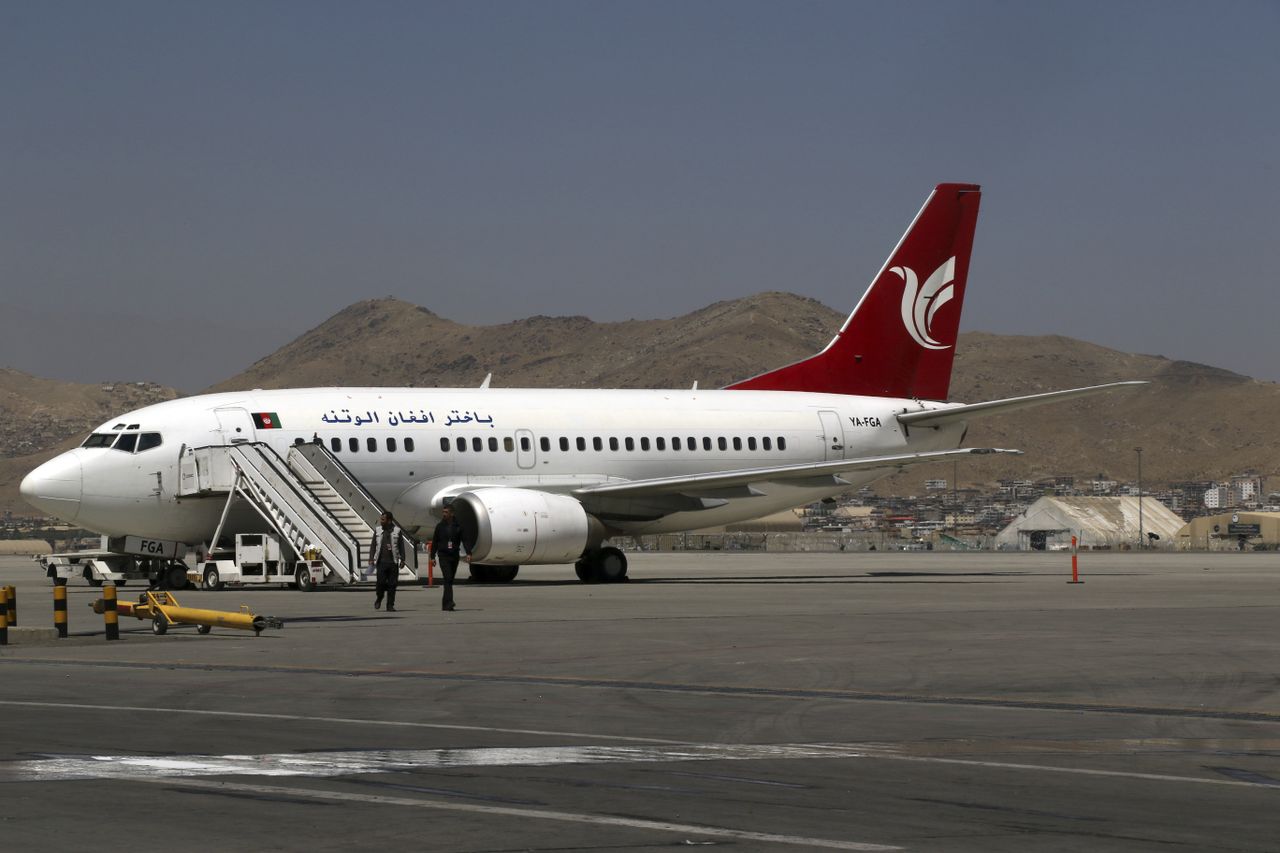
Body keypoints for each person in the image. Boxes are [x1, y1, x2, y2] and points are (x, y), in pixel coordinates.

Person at [428, 505, 469, 611]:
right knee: (448, 578)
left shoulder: (458, 526)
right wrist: (432, 557)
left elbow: (465, 540)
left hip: (454, 555)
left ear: (452, 513)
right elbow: (435, 542)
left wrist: (469, 553)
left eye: (446, 512)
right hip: (443, 556)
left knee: (449, 580)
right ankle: (449, 602)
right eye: (443, 512)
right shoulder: (440, 526)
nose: (444, 514)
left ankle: (445, 604)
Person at [370, 511, 406, 611]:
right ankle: (379, 597)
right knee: (380, 583)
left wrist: (403, 559)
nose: (381, 521)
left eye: (383, 519)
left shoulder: (397, 531)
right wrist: (371, 558)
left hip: (393, 562)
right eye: (381, 519)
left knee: (392, 585)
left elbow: (401, 546)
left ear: (389, 521)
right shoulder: (377, 530)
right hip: (381, 562)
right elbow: (373, 545)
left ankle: (390, 605)